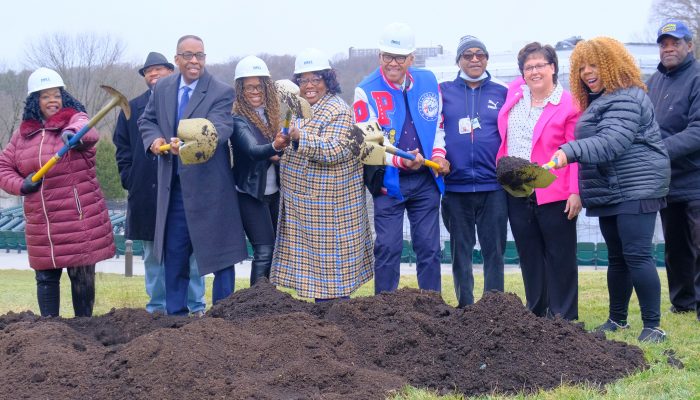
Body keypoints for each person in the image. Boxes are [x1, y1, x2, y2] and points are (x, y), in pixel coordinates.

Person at [552, 37, 671, 342]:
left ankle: (653, 325)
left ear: (612, 64)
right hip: (610, 190)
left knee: (637, 256)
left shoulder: (627, 97)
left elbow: (611, 142)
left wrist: (569, 151)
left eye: (594, 65)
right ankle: (617, 320)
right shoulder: (599, 101)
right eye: (581, 67)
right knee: (617, 258)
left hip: (637, 188)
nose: (587, 72)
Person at [138, 35, 247, 315]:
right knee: (174, 256)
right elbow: (147, 120)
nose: (194, 61)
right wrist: (155, 140)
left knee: (221, 259)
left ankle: (222, 318)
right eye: (188, 55)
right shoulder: (162, 87)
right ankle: (176, 318)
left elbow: (221, 128)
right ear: (177, 59)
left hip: (211, 191)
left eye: (200, 55)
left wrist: (189, 143)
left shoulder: (220, 91)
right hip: (174, 190)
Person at [0, 67, 115, 317]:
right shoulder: (22, 136)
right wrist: (21, 185)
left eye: (56, 94)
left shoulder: (75, 120)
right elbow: (3, 167)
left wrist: (73, 134)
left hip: (77, 221)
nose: (53, 100)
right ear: (34, 101)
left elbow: (89, 130)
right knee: (45, 280)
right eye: (45, 96)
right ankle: (49, 335)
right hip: (43, 226)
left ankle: (85, 330)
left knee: (81, 279)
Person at [353, 22, 449, 295]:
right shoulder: (364, 90)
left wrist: (439, 157)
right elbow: (369, 144)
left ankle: (432, 308)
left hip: (425, 180)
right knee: (388, 248)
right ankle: (385, 313)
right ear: (379, 56)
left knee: (429, 248)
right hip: (389, 182)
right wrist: (402, 160)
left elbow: (437, 127)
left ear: (411, 58)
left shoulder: (429, 81)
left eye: (399, 57)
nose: (392, 63)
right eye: (387, 56)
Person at [271, 48, 374, 301]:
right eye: (303, 80)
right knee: (316, 279)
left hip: (330, 210)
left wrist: (298, 137)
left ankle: (336, 328)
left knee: (333, 279)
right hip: (304, 207)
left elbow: (335, 150)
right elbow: (290, 139)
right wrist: (280, 147)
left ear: (328, 80)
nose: (309, 86)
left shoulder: (338, 110)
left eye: (315, 79)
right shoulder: (296, 108)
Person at [113, 51, 206, 315]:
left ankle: (195, 307)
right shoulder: (131, 109)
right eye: (148, 71)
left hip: (183, 192)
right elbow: (122, 148)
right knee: (154, 258)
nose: (153, 75)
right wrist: (130, 178)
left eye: (158, 70)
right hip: (148, 195)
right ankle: (157, 310)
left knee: (191, 254)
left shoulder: (187, 101)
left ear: (171, 71)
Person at [496, 42, 582, 320]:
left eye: (540, 66)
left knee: (560, 257)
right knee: (529, 255)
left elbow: (575, 151)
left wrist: (574, 192)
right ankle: (536, 312)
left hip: (553, 190)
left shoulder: (569, 104)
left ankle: (563, 316)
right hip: (517, 188)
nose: (534, 72)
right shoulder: (513, 94)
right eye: (528, 67)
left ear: (553, 68)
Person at [439, 35, 508, 307]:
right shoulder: (442, 90)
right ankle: (465, 306)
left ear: (487, 59)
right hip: (456, 188)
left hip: (493, 187)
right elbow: (434, 129)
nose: (475, 59)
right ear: (458, 60)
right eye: (468, 55)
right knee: (460, 252)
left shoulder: (502, 91)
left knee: (495, 252)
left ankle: (496, 307)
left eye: (480, 54)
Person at [647, 21, 700, 322]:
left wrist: (657, 151)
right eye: (663, 43)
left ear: (689, 45)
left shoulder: (697, 77)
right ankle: (682, 302)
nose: (668, 48)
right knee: (676, 245)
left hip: (695, 177)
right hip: (667, 180)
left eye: (675, 42)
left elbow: (697, 129)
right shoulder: (654, 81)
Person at [230, 56, 290, 285]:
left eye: (260, 86)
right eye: (249, 87)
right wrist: (274, 147)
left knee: (275, 251)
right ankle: (256, 303)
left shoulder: (271, 116)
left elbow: (274, 153)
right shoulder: (238, 120)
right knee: (264, 250)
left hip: (274, 192)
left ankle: (269, 299)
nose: (255, 91)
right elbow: (253, 150)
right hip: (250, 193)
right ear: (240, 91)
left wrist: (279, 150)